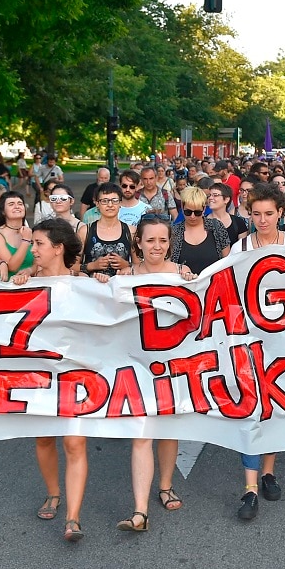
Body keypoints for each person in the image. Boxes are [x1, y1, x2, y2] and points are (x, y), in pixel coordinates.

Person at [108, 216, 197, 532]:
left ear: (169, 243)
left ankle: (166, 485)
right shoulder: (124, 277)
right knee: (141, 434)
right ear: (139, 243)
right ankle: (140, 510)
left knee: (168, 430)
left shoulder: (183, 275)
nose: (156, 246)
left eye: (162, 240)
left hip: (173, 366)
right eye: (150, 240)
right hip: (135, 366)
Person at [11, 218, 90, 541]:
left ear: (58, 248)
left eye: (39, 244)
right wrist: (19, 280)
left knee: (74, 442)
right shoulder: (24, 282)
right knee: (44, 438)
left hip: (75, 374)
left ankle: (73, 517)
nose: (33, 250)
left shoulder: (82, 283)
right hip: (38, 373)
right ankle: (53, 492)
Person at [232, 184, 285, 520]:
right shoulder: (240, 247)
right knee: (250, 409)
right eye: (256, 213)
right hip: (248, 340)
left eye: (269, 213)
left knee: (274, 408)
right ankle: (249, 489)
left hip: (284, 340)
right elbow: (225, 289)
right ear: (250, 213)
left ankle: (268, 472)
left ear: (281, 213)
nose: (262, 219)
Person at [170, 186, 230, 274]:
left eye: (197, 212)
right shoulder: (174, 232)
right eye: (188, 212)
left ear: (204, 209)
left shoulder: (217, 227)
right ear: (182, 207)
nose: (192, 216)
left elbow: (227, 262)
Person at [79, 182, 134, 276]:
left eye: (114, 200)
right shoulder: (85, 231)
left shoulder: (131, 231)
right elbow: (72, 265)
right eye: (104, 201)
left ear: (120, 203)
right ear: (97, 203)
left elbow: (140, 265)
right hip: (91, 287)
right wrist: (92, 266)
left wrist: (126, 265)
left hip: (121, 287)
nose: (110, 204)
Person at [0, 190, 34, 280]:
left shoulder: (28, 231)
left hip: (30, 284)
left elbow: (40, 261)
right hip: (6, 286)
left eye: (20, 203)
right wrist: (25, 241)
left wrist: (30, 270)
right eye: (11, 204)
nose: (17, 206)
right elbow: (12, 267)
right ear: (3, 211)